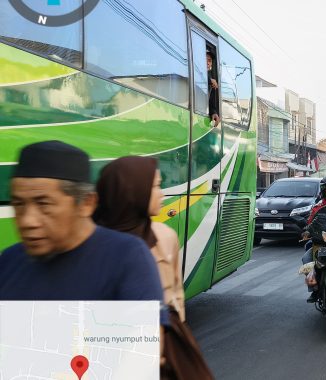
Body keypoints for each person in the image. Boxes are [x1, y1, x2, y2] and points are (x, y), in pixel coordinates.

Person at [0, 141, 166, 307]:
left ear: (86, 204)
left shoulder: (128, 258)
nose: (27, 221)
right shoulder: (9, 260)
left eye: (44, 204)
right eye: (19, 204)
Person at [94, 156, 213, 380]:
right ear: (132, 191)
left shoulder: (164, 237)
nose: (161, 194)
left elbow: (177, 295)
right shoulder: (92, 243)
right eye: (156, 186)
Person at [206, 51, 220, 127]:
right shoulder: (192, 71)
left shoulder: (212, 82)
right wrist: (209, 80)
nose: (208, 63)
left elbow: (210, 101)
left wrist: (214, 112)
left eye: (209, 61)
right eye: (205, 59)